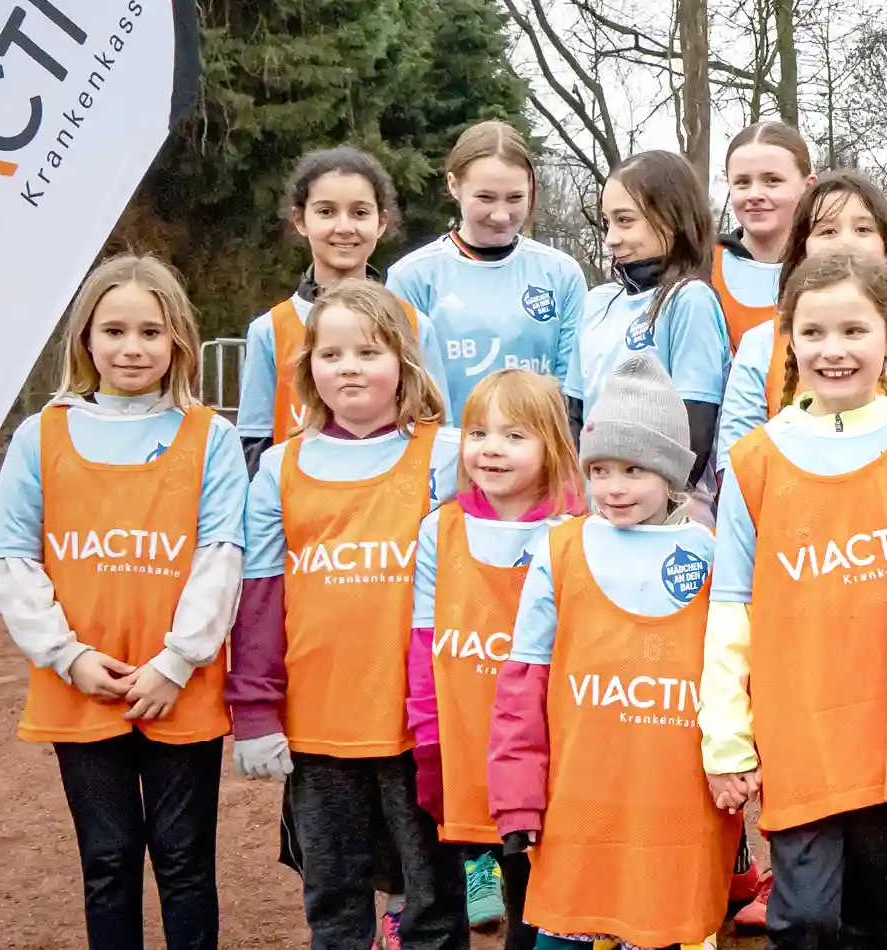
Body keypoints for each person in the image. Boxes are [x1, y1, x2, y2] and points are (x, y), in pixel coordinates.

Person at [700, 248, 887, 950]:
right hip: (802, 731)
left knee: (871, 919)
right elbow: (733, 608)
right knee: (803, 919)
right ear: (787, 338)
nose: (834, 349)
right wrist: (729, 737)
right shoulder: (756, 461)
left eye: (854, 331)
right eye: (814, 331)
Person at [0, 256, 247, 950]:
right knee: (107, 861)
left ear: (178, 343)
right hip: (83, 685)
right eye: (114, 331)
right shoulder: (39, 435)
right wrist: (66, 655)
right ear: (85, 340)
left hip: (179, 686)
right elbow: (12, 559)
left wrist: (176, 662)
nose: (132, 348)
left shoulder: (211, 438)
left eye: (150, 332)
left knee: (185, 861)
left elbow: (222, 557)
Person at [231, 281, 472, 950]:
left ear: (403, 360)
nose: (350, 367)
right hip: (319, 726)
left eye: (368, 351)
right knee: (333, 903)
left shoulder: (446, 456)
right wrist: (253, 709)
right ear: (308, 368)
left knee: (432, 900)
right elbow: (259, 596)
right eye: (331, 354)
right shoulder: (280, 466)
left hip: (418, 726)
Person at [488, 354, 745, 950]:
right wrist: (518, 800)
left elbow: (736, 673)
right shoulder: (560, 549)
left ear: (672, 473)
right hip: (579, 808)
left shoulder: (709, 553)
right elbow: (522, 686)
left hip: (673, 812)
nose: (615, 487)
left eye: (635, 468)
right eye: (600, 468)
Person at [406, 369, 584, 942]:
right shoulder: (440, 530)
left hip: (547, 752)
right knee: (493, 866)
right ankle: (483, 879)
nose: (491, 449)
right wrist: (429, 739)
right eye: (479, 432)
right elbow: (425, 645)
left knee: (542, 898)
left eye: (515, 435)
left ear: (551, 444)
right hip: (466, 743)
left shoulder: (575, 533)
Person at [717, 171, 887, 487]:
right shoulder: (761, 344)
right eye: (827, 230)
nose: (845, 242)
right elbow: (735, 467)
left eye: (862, 229)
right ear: (802, 249)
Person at [391, 122, 592, 421]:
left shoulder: (562, 274)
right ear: (453, 185)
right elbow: (403, 388)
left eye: (515, 198)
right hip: (444, 459)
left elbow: (573, 390)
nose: (501, 215)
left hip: (538, 458)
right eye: (485, 198)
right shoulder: (412, 277)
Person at [241, 148, 430, 454]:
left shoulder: (413, 324)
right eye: (326, 211)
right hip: (301, 498)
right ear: (300, 220)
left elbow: (433, 428)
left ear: (381, 222)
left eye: (360, 212)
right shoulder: (270, 330)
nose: (344, 227)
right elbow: (255, 440)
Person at [571, 150, 733, 488]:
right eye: (607, 222)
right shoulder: (597, 302)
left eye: (625, 220)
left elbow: (694, 435)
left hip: (667, 514)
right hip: (597, 506)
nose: (611, 238)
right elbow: (573, 415)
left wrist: (647, 500)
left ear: (671, 219)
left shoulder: (689, 300)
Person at [712, 121, 817, 344]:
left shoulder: (836, 268)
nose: (755, 194)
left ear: (808, 187)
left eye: (772, 181)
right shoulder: (702, 267)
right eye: (742, 182)